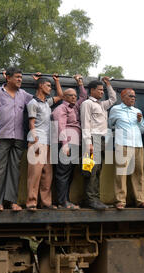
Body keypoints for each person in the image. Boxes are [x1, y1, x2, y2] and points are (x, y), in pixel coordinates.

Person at [0, 67, 34, 212]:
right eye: (17, 77)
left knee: (14, 170)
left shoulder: (23, 94)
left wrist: (37, 83)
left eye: (21, 77)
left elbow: (38, 101)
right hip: (1, 136)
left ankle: (12, 201)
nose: (20, 79)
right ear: (8, 78)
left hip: (18, 137)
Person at [25, 74, 63, 212]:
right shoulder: (33, 103)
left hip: (47, 142)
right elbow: (31, 123)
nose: (50, 88)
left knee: (47, 174)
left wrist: (56, 81)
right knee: (35, 174)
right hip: (37, 140)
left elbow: (61, 95)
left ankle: (46, 203)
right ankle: (31, 203)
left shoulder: (47, 102)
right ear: (40, 86)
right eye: (48, 85)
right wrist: (35, 140)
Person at [109, 89, 144, 210]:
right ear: (123, 97)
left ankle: (140, 200)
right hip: (122, 144)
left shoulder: (137, 111)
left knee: (138, 173)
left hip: (137, 145)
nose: (133, 98)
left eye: (134, 97)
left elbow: (143, 129)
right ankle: (120, 201)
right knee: (121, 173)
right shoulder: (115, 110)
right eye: (130, 96)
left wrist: (139, 121)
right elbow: (110, 125)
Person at [80, 77, 117, 211]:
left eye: (103, 90)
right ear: (92, 90)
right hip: (92, 139)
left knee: (98, 170)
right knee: (91, 171)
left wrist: (108, 84)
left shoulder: (102, 104)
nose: (102, 92)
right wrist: (88, 143)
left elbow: (113, 99)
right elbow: (85, 124)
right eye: (100, 90)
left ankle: (95, 198)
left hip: (102, 140)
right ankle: (91, 200)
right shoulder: (87, 104)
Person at [51, 75, 87, 210]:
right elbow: (61, 126)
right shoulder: (61, 109)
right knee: (63, 173)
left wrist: (80, 83)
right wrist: (65, 144)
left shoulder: (75, 107)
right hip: (66, 144)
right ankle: (62, 202)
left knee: (69, 173)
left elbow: (83, 97)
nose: (74, 97)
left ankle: (66, 200)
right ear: (64, 97)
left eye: (74, 95)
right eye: (71, 95)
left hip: (75, 144)